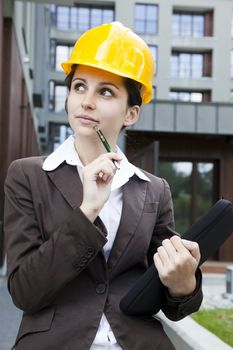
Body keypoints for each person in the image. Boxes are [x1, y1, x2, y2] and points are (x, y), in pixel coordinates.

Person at [4, 22, 203, 350]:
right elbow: (25, 292)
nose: (86, 101)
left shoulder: (154, 190)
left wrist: (183, 285)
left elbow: (173, 304)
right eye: (79, 86)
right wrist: (87, 211)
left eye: (105, 91)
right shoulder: (28, 176)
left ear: (131, 112)